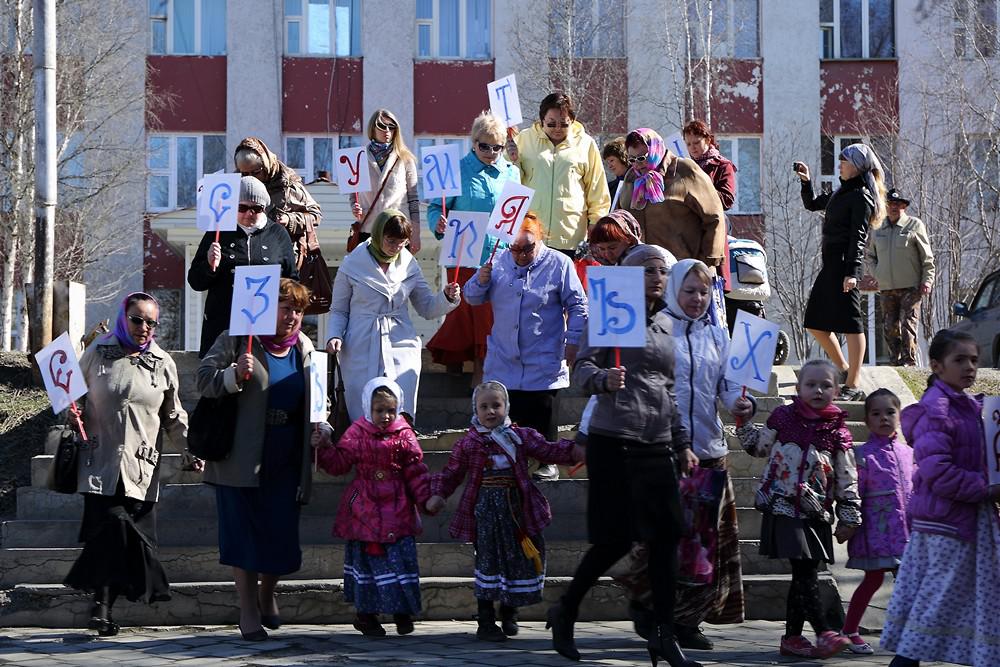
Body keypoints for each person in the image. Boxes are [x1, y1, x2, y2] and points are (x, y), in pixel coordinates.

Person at [550, 244, 701, 667]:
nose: (658, 278)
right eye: (651, 270)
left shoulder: (667, 324)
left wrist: (682, 441)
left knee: (667, 537)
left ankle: (664, 635)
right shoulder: (610, 313)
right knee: (613, 539)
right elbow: (580, 370)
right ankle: (567, 608)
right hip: (614, 441)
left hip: (657, 444)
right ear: (632, 275)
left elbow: (669, 390)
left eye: (664, 271)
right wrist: (602, 377)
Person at [623, 259, 755, 650]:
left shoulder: (717, 336)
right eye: (690, 290)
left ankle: (688, 621)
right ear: (672, 291)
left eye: (704, 291)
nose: (697, 299)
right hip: (665, 453)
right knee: (663, 544)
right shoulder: (655, 332)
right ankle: (649, 611)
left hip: (710, 451)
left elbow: (729, 388)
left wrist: (740, 404)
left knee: (703, 546)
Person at [197, 279, 320, 641]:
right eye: (286, 307)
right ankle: (248, 610)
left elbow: (317, 398)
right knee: (244, 535)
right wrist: (233, 375)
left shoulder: (304, 347)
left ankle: (268, 591)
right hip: (241, 455)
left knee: (280, 534)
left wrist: (322, 426)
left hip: (286, 456)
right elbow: (203, 380)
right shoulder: (236, 339)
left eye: (298, 309)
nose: (293, 316)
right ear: (267, 309)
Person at [63, 292, 188, 637]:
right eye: (137, 319)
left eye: (151, 322)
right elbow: (69, 396)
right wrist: (72, 416)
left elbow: (173, 415)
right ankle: (128, 595)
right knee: (112, 530)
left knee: (122, 539)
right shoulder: (98, 352)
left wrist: (190, 449)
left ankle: (102, 610)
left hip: (141, 467)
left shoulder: (162, 362)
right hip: (100, 462)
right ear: (123, 317)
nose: (144, 327)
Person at [426, 381, 584, 642]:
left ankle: (509, 611)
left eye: (496, 405)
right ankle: (486, 620)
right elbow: (452, 473)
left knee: (518, 558)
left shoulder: (520, 437)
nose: (490, 412)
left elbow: (548, 449)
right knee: (488, 561)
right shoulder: (469, 443)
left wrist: (575, 451)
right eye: (484, 406)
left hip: (516, 510)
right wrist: (438, 494)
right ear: (475, 410)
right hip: (485, 513)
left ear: (506, 407)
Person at [881, 330, 1000, 667]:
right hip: (947, 525)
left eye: (974, 360)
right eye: (959, 360)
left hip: (960, 522)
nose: (970, 367)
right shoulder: (939, 410)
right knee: (936, 602)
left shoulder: (968, 407)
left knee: (948, 600)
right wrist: (987, 488)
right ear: (936, 364)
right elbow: (939, 472)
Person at [735, 359, 860, 659]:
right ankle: (824, 632)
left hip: (815, 511)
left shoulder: (838, 431)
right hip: (781, 506)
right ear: (799, 388)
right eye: (811, 385)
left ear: (837, 389)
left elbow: (846, 477)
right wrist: (743, 422)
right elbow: (758, 447)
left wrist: (849, 515)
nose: (818, 390)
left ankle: (792, 638)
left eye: (826, 385)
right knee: (804, 570)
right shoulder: (783, 417)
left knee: (804, 571)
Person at [464, 212, 587, 482]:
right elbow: (471, 298)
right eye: (516, 248)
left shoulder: (560, 263)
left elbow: (578, 305)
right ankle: (510, 461)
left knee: (542, 410)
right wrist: (480, 280)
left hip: (542, 354)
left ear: (540, 238)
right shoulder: (496, 261)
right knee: (509, 416)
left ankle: (548, 462)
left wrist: (573, 341)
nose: (520, 254)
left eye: (527, 248)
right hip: (504, 356)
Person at [313, 377, 431, 637]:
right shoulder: (356, 432)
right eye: (379, 410)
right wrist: (323, 448)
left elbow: (417, 471)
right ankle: (366, 615)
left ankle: (402, 612)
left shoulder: (405, 435)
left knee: (400, 560)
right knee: (367, 563)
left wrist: (427, 499)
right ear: (368, 407)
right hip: (364, 511)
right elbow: (339, 463)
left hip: (397, 508)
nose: (386, 416)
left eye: (390, 410)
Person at [326, 209, 460, 422]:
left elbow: (427, 307)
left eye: (402, 242)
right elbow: (339, 310)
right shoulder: (352, 263)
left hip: (401, 343)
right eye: (391, 240)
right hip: (361, 344)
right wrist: (334, 336)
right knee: (364, 414)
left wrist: (446, 297)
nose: (396, 247)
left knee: (400, 414)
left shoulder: (409, 264)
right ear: (379, 235)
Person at [426, 111, 521, 384]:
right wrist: (439, 223)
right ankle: (466, 376)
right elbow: (435, 208)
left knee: (490, 319)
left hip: (500, 256)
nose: (491, 153)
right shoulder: (454, 169)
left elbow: (516, 212)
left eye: (497, 147)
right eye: (484, 146)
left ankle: (484, 380)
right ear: (473, 142)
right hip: (464, 255)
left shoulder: (512, 172)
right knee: (465, 314)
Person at [795, 143, 888, 401]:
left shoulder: (861, 196)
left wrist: (853, 272)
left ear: (857, 166)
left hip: (846, 266)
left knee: (852, 323)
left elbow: (859, 238)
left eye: (844, 161)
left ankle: (854, 384)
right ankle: (845, 370)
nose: (840, 165)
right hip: (831, 266)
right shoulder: (841, 193)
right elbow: (812, 204)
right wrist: (806, 181)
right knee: (814, 322)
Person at [837, 388, 914, 655]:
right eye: (876, 414)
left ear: (899, 416)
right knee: (873, 580)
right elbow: (852, 493)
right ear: (867, 421)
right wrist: (848, 522)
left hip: (907, 532)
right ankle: (849, 631)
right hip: (876, 532)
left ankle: (908, 633)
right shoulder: (862, 456)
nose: (884, 418)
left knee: (909, 582)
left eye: (890, 412)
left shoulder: (909, 454)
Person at [187, 175, 298, 357]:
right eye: (242, 207)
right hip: (223, 327)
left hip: (266, 330)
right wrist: (209, 265)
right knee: (222, 382)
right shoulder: (218, 232)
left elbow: (292, 281)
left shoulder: (278, 234)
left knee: (262, 382)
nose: (249, 213)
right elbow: (195, 282)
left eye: (257, 208)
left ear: (265, 208)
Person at [617, 128, 727, 287]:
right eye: (632, 159)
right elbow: (622, 218)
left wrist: (705, 264)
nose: (637, 165)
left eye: (642, 158)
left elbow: (714, 216)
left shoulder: (684, 170)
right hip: (644, 277)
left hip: (685, 273)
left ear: (655, 149)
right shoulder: (631, 178)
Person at [505, 92, 610, 254]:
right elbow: (509, 183)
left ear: (572, 121)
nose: (558, 129)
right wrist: (513, 161)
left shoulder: (586, 144)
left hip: (570, 233)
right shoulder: (524, 139)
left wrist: (596, 222)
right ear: (541, 121)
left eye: (564, 124)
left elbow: (597, 188)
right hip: (530, 232)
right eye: (551, 124)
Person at [861, 188, 935, 366]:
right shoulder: (878, 228)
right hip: (886, 288)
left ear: (904, 207)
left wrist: (927, 280)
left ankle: (909, 362)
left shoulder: (914, 225)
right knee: (889, 326)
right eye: (890, 204)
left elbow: (927, 257)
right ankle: (895, 362)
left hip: (911, 287)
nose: (894, 207)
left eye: (898, 204)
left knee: (908, 324)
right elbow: (870, 255)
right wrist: (876, 273)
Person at [234, 136, 322, 267]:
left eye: (256, 172)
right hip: (247, 257)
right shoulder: (236, 185)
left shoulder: (287, 184)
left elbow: (315, 215)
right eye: (245, 174)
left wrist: (289, 219)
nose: (251, 179)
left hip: (283, 258)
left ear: (266, 164)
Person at [351, 109, 422, 252]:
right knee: (368, 274)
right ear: (373, 128)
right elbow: (354, 193)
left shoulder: (406, 159)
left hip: (398, 232)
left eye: (392, 126)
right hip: (368, 231)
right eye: (382, 126)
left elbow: (413, 200)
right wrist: (355, 206)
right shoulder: (358, 158)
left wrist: (416, 233)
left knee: (397, 274)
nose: (387, 130)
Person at [684, 119, 737, 306]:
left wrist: (701, 189)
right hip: (687, 233)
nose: (693, 148)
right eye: (689, 144)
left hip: (710, 231)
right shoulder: (683, 167)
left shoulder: (722, 165)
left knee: (712, 293)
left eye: (697, 142)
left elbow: (727, 199)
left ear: (708, 140)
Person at [602, 136, 629, 207]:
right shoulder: (610, 188)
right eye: (608, 162)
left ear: (622, 158)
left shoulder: (638, 183)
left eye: (612, 160)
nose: (610, 166)